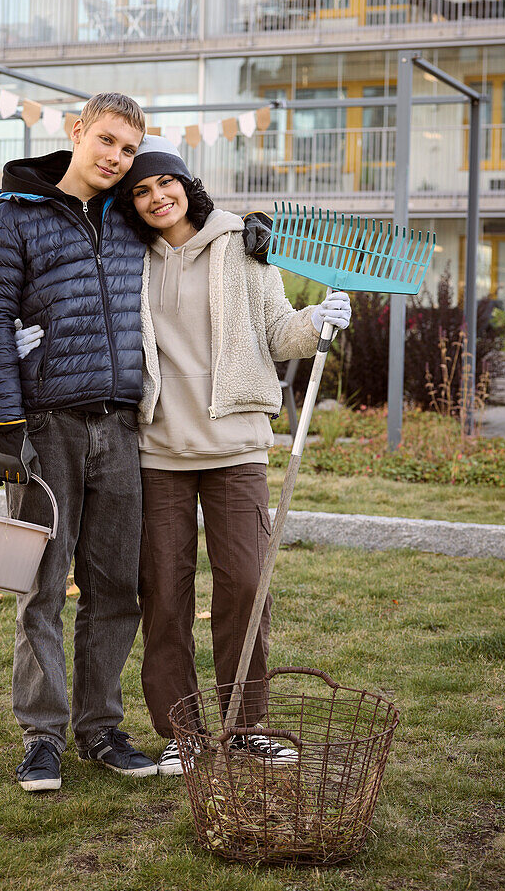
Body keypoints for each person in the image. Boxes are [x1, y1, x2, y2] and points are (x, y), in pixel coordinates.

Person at [115, 135, 352, 776]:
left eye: (163, 184)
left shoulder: (246, 245)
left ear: (186, 185)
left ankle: (246, 728)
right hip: (158, 448)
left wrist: (318, 320)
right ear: (130, 203)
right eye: (139, 190)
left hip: (235, 446)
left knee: (245, 586)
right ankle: (181, 735)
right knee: (164, 595)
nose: (156, 197)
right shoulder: (126, 256)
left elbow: (277, 332)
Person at [0, 93, 159, 792]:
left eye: (130, 149)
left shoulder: (133, 217)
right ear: (76, 132)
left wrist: (243, 226)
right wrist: (6, 425)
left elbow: (196, 227)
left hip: (121, 427)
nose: (116, 158)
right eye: (107, 141)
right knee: (42, 586)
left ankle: (100, 729)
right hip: (46, 427)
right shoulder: (12, 218)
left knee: (115, 589)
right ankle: (42, 737)